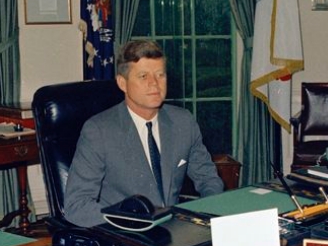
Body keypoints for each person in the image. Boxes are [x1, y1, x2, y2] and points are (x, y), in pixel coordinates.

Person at [63, 39, 224, 228]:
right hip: (126, 236)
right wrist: (132, 223)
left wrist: (206, 218)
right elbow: (76, 206)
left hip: (175, 232)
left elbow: (208, 179)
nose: (154, 84)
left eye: (160, 75)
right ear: (122, 83)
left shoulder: (183, 122)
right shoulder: (99, 131)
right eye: (143, 76)